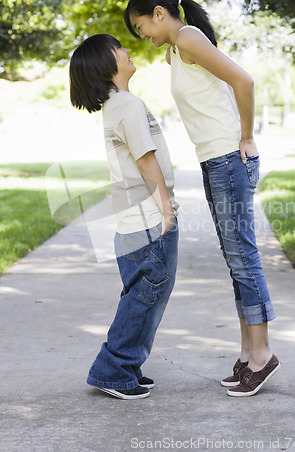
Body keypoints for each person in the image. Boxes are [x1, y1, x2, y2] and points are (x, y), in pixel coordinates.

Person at [124, 0, 280, 397]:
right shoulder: (178, 50)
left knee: (243, 258)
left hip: (229, 158)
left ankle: (262, 355)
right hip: (216, 162)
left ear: (159, 13)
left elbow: (243, 81)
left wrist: (246, 137)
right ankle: (248, 355)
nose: (146, 38)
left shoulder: (189, 37)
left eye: (143, 28)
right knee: (235, 260)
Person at [69, 33, 179, 400]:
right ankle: (113, 369)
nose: (127, 49)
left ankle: (127, 365)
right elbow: (146, 160)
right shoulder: (128, 104)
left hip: (133, 220)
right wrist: (166, 207)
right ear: (106, 64)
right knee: (147, 295)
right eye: (119, 48)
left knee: (142, 294)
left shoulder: (116, 106)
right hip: (147, 220)